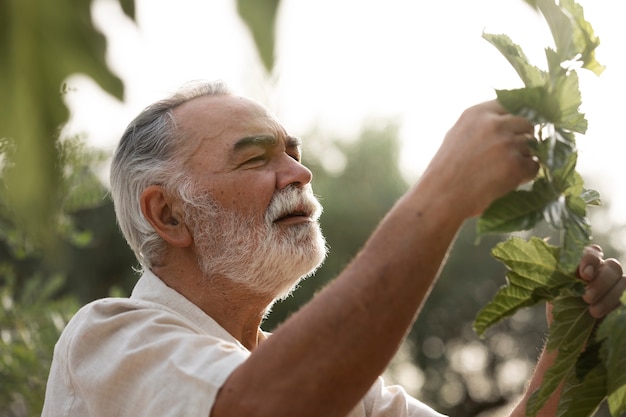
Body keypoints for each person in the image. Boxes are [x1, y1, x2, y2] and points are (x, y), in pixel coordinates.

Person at [42, 80, 625, 417]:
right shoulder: (111, 338)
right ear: (168, 214)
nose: (299, 172)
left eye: (292, 151)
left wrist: (570, 346)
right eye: (255, 157)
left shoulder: (350, 391)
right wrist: (440, 199)